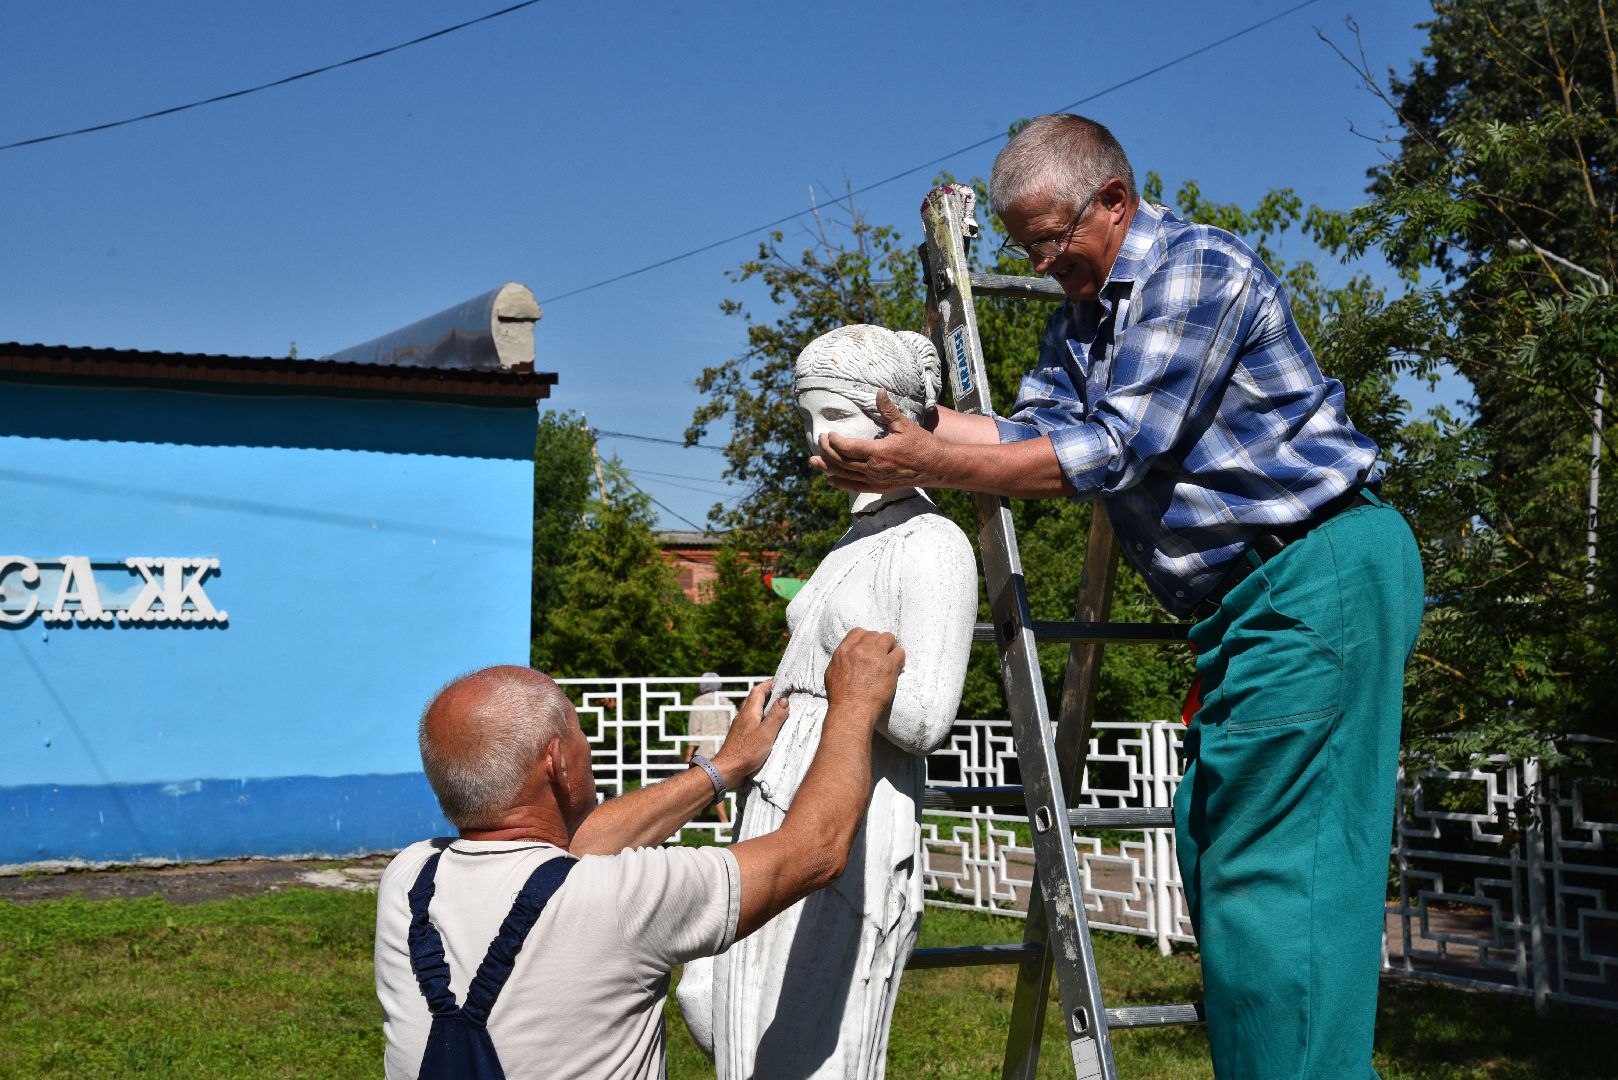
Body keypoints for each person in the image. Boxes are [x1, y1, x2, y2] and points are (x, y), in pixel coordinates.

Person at [812, 114, 1426, 1079]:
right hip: (1249, 607)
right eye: (1028, 249)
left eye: (1055, 239)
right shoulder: (1081, 325)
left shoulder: (1196, 270)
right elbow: (1026, 429)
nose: (1048, 264)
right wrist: (903, 425)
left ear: (1116, 201)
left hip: (1314, 574)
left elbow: (1109, 451)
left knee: (1280, 884)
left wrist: (932, 459)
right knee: (1220, 852)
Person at [373, 628, 907, 1080]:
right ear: (557, 763)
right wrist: (855, 704)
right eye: (579, 731)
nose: (586, 746)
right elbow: (814, 851)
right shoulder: (621, 900)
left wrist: (724, 768)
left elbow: (568, 852)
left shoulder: (409, 879)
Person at [678, 324, 978, 1080]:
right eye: (810, 418)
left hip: (856, 806)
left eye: (837, 416)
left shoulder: (932, 543)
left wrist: (853, 694)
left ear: (892, 417)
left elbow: (929, 716)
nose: (820, 438)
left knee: (811, 1051)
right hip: (778, 792)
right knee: (716, 1002)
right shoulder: (848, 546)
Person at [684, 673, 735, 824]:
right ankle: (702, 820)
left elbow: (695, 731)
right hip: (724, 749)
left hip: (706, 751)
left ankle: (724, 823)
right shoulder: (727, 702)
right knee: (715, 785)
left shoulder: (698, 702)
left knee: (714, 786)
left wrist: (689, 754)